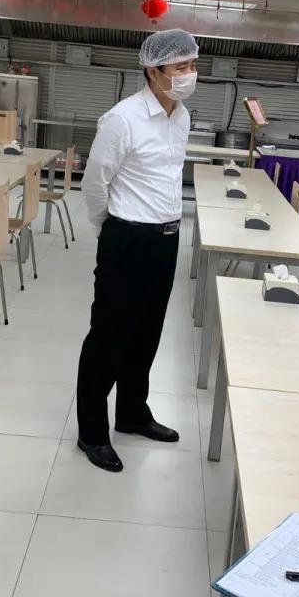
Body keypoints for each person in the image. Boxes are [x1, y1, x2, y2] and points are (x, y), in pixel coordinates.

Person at [75, 29, 199, 472]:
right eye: (181, 66)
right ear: (153, 70)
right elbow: (94, 183)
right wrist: (110, 229)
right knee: (109, 337)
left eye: (192, 65)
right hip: (127, 238)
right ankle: (92, 432)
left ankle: (132, 413)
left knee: (147, 333)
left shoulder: (181, 116)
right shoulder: (122, 119)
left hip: (166, 237)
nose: (189, 74)